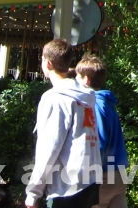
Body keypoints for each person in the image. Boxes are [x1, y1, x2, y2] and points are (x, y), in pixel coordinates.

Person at [25, 39, 102, 208]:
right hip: (90, 182)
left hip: (67, 187)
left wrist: (33, 192)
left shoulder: (55, 98)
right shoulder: (85, 97)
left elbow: (49, 147)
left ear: (48, 63)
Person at [74, 54, 129, 208]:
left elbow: (98, 141)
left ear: (85, 79)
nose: (76, 80)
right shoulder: (108, 103)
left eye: (77, 76)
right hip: (119, 173)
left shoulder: (94, 104)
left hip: (103, 175)